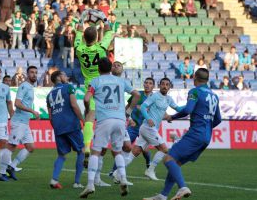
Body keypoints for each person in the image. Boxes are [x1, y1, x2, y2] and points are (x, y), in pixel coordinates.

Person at [143, 68, 221, 200]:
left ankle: (183, 187)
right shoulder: (214, 95)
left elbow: (188, 110)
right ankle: (163, 195)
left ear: (195, 77)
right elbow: (218, 119)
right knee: (176, 163)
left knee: (168, 158)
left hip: (195, 134)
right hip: (206, 137)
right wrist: (206, 128)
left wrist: (172, 117)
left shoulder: (195, 92)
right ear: (207, 80)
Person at [79, 58, 140, 198]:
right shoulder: (121, 81)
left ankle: (90, 184)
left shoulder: (95, 81)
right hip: (120, 120)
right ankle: (123, 179)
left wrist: (88, 109)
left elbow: (87, 99)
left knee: (95, 152)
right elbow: (137, 94)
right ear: (110, 68)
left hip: (104, 119)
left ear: (99, 69)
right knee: (117, 152)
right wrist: (129, 111)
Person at [114, 78, 182, 182]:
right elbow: (143, 107)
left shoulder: (168, 99)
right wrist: (148, 118)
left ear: (169, 87)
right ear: (159, 86)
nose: (164, 86)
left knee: (135, 152)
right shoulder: (154, 96)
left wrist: (192, 106)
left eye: (167, 84)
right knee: (164, 149)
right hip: (148, 127)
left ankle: (117, 172)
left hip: (150, 128)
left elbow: (179, 109)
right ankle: (150, 170)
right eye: (162, 84)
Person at [74, 9, 113, 165]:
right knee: (105, 116)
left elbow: (78, 31)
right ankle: (103, 144)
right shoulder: (101, 48)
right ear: (97, 37)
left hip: (89, 84)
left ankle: (87, 147)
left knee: (90, 115)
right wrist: (104, 18)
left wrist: (82, 17)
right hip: (103, 83)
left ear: (84, 37)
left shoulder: (79, 49)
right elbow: (109, 30)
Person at [47, 71, 85, 189]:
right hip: (71, 124)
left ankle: (54, 179)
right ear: (59, 77)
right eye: (64, 75)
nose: (66, 77)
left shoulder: (49, 95)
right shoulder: (68, 87)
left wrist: (57, 128)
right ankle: (77, 182)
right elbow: (74, 105)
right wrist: (82, 119)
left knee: (62, 155)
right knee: (82, 151)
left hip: (58, 126)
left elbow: (50, 116)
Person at [1, 66, 39, 181]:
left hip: (25, 122)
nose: (34, 75)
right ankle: (1, 173)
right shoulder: (24, 86)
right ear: (27, 74)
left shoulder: (30, 87)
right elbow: (17, 103)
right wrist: (32, 110)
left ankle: (11, 167)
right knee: (11, 146)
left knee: (31, 147)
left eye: (36, 73)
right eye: (32, 72)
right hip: (18, 121)